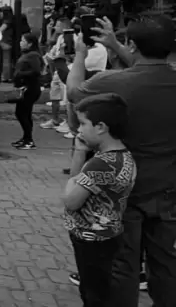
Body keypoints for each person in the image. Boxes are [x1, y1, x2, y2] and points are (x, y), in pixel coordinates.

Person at [65, 15, 176, 306]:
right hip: (168, 190)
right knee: (165, 265)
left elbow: (74, 93)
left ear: (132, 45)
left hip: (123, 192)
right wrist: (118, 44)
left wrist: (79, 55)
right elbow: (149, 64)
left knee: (123, 266)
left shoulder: (112, 82)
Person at [62, 93, 136, 307]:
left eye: (83, 123)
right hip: (109, 233)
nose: (79, 130)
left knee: (93, 294)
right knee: (100, 289)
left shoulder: (100, 165)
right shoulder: (123, 156)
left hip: (91, 237)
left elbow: (70, 200)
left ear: (101, 127)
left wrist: (76, 166)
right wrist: (81, 152)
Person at [11, 34, 44, 149]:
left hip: (30, 88)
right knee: (23, 113)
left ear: (30, 43)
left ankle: (29, 140)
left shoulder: (33, 55)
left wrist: (20, 74)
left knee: (22, 113)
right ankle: (25, 137)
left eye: (23, 41)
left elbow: (36, 71)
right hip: (24, 88)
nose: (20, 42)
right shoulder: (26, 55)